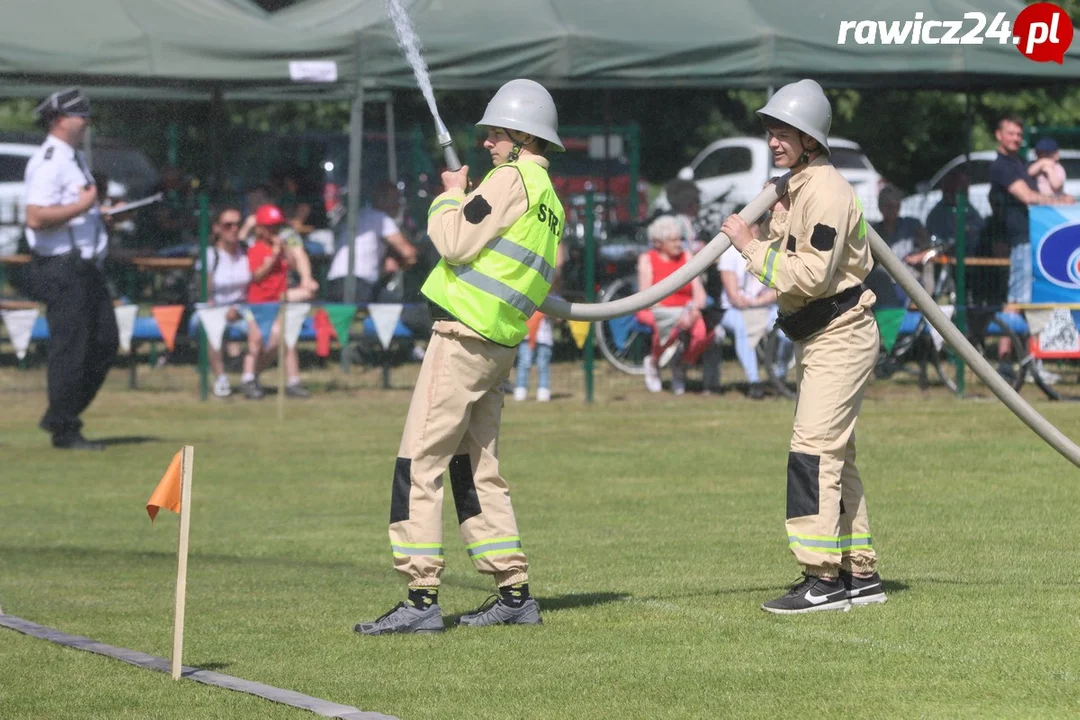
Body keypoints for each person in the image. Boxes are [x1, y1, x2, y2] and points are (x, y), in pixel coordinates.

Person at [355, 79, 565, 635]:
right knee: (477, 468)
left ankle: (419, 598)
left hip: (462, 337)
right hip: (496, 345)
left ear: (523, 138)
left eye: (497, 133)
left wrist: (451, 193)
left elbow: (453, 241)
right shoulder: (550, 200)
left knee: (418, 462)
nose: (489, 143)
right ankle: (513, 591)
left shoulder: (510, 178)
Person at [721, 79, 886, 614]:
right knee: (836, 455)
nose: (772, 140)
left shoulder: (826, 190)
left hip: (839, 331)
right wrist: (760, 236)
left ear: (810, 137)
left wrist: (747, 246)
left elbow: (811, 275)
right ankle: (859, 574)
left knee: (811, 451)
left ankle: (822, 578)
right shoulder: (798, 187)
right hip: (820, 335)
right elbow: (788, 255)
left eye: (783, 131)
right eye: (769, 130)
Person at [22, 88, 118, 451]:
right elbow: (36, 217)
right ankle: (65, 428)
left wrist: (96, 215)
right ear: (61, 119)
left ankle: (60, 414)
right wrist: (83, 206)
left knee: (105, 342)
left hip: (84, 267)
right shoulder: (51, 160)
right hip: (63, 268)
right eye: (81, 115)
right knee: (72, 349)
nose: (87, 122)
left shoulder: (72, 157)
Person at [716, 223, 793, 399]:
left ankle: (779, 377)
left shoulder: (771, 249)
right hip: (735, 309)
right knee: (743, 327)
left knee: (789, 329)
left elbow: (780, 286)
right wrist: (751, 303)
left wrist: (760, 301)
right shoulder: (730, 254)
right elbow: (733, 295)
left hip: (765, 306)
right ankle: (754, 381)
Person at [242, 204, 311, 399]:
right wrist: (273, 256)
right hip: (257, 305)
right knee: (256, 342)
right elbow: (256, 275)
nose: (275, 232)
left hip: (277, 302)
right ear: (261, 230)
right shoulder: (256, 250)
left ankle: (293, 381)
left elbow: (293, 264)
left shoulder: (280, 249)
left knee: (286, 341)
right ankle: (248, 377)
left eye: (277, 228)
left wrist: (284, 250)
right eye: (270, 228)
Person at [635, 215, 708, 395]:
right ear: (659, 243)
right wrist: (676, 315)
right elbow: (646, 295)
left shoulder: (687, 256)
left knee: (701, 334)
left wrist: (694, 310)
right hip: (655, 309)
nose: (678, 244)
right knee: (667, 329)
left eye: (680, 239)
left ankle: (680, 365)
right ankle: (653, 362)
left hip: (686, 310)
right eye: (673, 240)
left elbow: (699, 293)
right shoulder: (647, 259)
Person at [196, 207, 261, 399]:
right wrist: (222, 312)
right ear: (217, 228)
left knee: (263, 327)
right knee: (212, 327)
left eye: (237, 225)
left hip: (243, 309)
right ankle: (220, 378)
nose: (233, 229)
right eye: (227, 225)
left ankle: (249, 376)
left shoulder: (247, 252)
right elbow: (204, 295)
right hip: (213, 309)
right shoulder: (210, 256)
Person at [326, 182, 418, 303]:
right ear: (380, 199)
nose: (398, 204)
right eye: (394, 199)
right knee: (397, 306)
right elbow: (408, 252)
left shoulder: (360, 216)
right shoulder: (380, 218)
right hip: (357, 284)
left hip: (335, 283)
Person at [514, 243, 567, 402]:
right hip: (526, 335)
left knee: (543, 365)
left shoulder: (554, 299)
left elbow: (560, 318)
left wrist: (552, 316)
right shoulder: (527, 294)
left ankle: (543, 390)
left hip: (544, 337)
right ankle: (521, 389)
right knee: (524, 363)